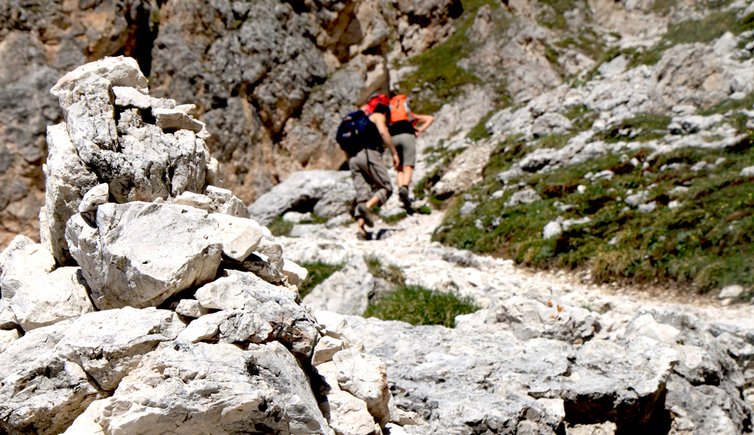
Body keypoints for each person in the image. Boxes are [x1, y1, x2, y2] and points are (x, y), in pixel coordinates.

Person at [349, 94, 400, 239]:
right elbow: (383, 132)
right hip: (369, 154)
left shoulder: (360, 119)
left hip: (354, 157)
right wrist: (394, 153)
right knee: (386, 187)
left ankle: (361, 229)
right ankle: (367, 207)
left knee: (362, 194)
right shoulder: (378, 116)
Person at [388, 94, 434, 211]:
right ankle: (404, 188)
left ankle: (400, 191)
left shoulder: (391, 117)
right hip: (407, 136)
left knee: (399, 168)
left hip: (393, 138)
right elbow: (430, 118)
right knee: (408, 165)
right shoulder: (410, 116)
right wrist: (420, 130)